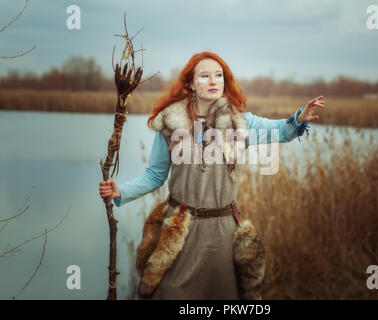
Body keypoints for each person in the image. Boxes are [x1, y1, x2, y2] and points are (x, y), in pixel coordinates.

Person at [98, 51, 325, 300]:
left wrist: (300, 117)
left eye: (218, 76)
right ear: (191, 84)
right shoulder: (172, 122)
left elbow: (281, 131)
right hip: (179, 230)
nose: (213, 81)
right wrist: (121, 191)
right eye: (204, 76)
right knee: (170, 293)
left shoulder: (241, 123)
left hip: (222, 232)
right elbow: (155, 175)